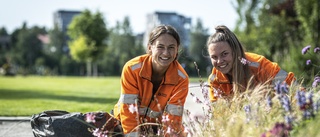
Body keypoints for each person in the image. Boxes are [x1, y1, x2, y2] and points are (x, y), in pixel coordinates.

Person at [112, 25, 189, 136]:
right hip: (123, 125)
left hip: (156, 129)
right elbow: (128, 112)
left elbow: (173, 121)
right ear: (149, 48)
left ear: (177, 49)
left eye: (171, 47)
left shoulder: (181, 79)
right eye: (160, 47)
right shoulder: (132, 69)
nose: (166, 53)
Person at [206, 25, 295, 102]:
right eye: (214, 57)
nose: (219, 61)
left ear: (235, 52)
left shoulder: (259, 65)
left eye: (224, 54)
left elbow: (292, 87)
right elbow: (218, 114)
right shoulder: (214, 80)